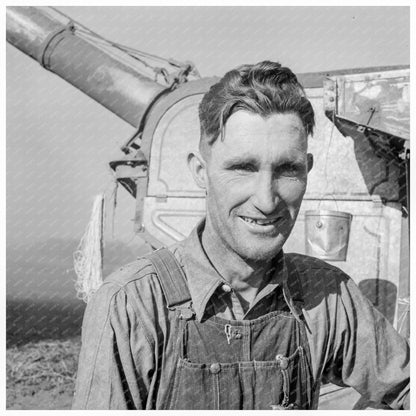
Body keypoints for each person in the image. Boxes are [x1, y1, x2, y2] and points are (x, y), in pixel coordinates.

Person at [72, 61, 409, 410]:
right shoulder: (132, 307)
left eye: (287, 170)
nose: (266, 200)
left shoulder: (327, 295)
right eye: (242, 168)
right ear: (200, 172)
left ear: (307, 172)